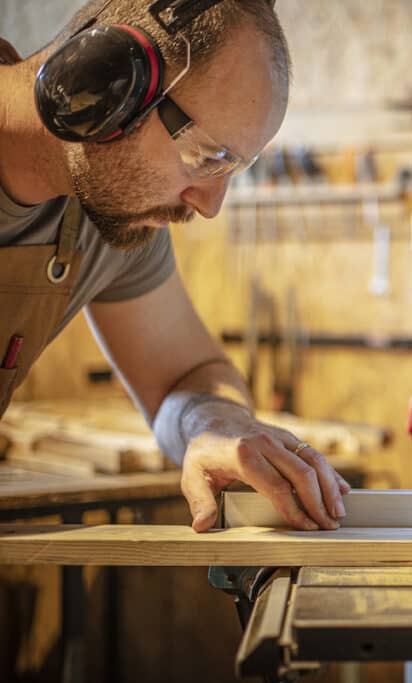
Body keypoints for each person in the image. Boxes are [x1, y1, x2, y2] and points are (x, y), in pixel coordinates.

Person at [0, 0, 350, 532]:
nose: (210, 206)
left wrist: (213, 424)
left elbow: (182, 377)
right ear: (99, 86)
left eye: (234, 168)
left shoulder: (111, 215)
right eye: (208, 157)